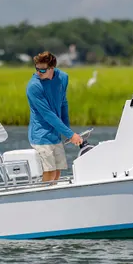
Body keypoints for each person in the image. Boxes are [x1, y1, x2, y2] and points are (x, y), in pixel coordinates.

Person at [26, 51, 82, 181]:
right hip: (40, 135)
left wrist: (67, 130)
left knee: (57, 173)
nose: (39, 73)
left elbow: (63, 103)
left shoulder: (63, 77)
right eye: (37, 69)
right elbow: (48, 115)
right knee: (49, 172)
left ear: (52, 68)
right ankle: (41, 199)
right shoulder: (34, 86)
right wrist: (70, 135)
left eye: (43, 70)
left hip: (55, 135)